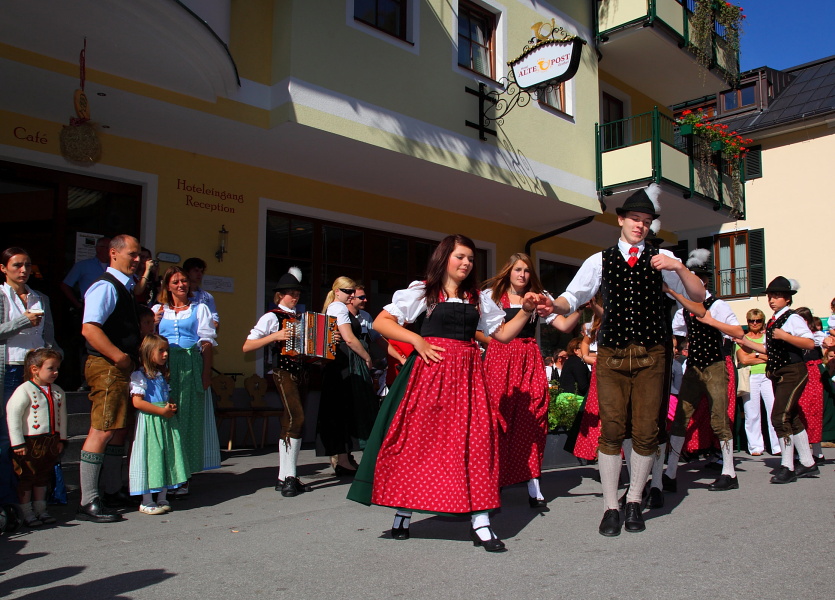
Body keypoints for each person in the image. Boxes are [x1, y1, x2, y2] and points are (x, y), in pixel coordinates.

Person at [348, 234, 547, 553]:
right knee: (420, 442)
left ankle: (480, 522)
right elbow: (383, 323)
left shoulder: (479, 298)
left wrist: (524, 311)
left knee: (477, 442)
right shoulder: (423, 291)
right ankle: (403, 512)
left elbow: (503, 335)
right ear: (445, 258)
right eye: (460, 257)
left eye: (470, 258)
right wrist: (417, 341)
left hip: (468, 377)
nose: (466, 263)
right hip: (431, 375)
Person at [550, 185, 705, 536]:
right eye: (634, 219)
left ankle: (634, 500)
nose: (640, 225)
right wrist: (553, 306)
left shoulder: (661, 259)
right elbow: (574, 295)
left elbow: (698, 296)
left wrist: (678, 266)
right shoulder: (600, 260)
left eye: (646, 221)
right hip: (612, 355)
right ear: (620, 220)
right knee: (612, 429)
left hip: (653, 354)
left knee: (647, 429)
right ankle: (610, 506)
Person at [664, 251, 743, 492]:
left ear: (704, 282)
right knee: (680, 419)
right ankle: (670, 473)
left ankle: (729, 472)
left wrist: (711, 322)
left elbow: (737, 332)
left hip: (715, 365)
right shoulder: (683, 310)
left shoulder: (718, 305)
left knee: (718, 417)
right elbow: (677, 334)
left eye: (695, 278)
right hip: (694, 367)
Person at [77, 234, 142, 523]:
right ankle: (89, 499)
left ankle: (113, 489)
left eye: (139, 254)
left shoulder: (125, 288)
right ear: (114, 254)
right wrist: (119, 356)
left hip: (119, 368)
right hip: (106, 366)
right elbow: (90, 329)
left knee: (117, 429)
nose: (138, 259)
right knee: (102, 429)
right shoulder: (105, 286)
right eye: (133, 254)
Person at [481, 252, 550, 508]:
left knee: (533, 415)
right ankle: (494, 479)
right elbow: (478, 328)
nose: (523, 275)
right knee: (499, 416)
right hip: (500, 358)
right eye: (518, 269)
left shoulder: (539, 297)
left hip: (529, 358)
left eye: (527, 270)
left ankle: (533, 481)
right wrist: (497, 344)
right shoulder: (491, 297)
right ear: (508, 271)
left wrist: (585, 306)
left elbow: (563, 324)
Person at [735, 276, 819, 483]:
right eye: (770, 296)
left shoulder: (792, 318)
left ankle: (787, 466)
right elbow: (767, 349)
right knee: (791, 417)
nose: (772, 299)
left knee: (779, 417)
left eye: (777, 296)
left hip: (793, 371)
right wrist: (743, 340)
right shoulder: (775, 320)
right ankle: (808, 463)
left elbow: (810, 343)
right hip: (780, 372)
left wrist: (786, 336)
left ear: (788, 299)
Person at [242, 267, 311, 497]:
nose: (296, 297)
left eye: (298, 294)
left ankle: (284, 477)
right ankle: (290, 476)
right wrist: (275, 336)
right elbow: (248, 346)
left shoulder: (300, 318)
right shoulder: (272, 316)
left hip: (301, 372)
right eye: (292, 293)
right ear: (280, 295)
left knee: (290, 421)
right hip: (283, 371)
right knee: (296, 418)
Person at [1, 247, 62, 507]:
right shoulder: (1, 295)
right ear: (3, 268)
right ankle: (7, 499)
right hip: (10, 368)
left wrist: (56, 357)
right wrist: (22, 322)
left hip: (36, 372)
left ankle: (33, 500)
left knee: (38, 434)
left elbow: (49, 335)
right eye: (16, 265)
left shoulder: (40, 298)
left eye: (27, 265)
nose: (23, 270)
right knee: (9, 434)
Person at [153, 266, 219, 495]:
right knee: (166, 418)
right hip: (165, 367)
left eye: (183, 281)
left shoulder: (199, 309)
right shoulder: (158, 310)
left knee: (188, 420)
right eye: (175, 282)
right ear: (167, 286)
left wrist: (206, 375)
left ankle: (183, 476)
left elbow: (207, 343)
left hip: (191, 366)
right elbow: (149, 341)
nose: (181, 285)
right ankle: (164, 472)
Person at [318, 277, 374, 476]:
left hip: (342, 365)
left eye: (352, 291)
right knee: (347, 411)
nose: (351, 295)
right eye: (347, 291)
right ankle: (343, 459)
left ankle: (343, 459)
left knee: (344, 412)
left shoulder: (336, 308)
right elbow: (349, 339)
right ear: (337, 291)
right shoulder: (338, 308)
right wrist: (367, 357)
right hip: (344, 365)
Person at [6, 348, 66, 527]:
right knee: (27, 477)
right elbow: (13, 414)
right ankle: (26, 512)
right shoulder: (24, 390)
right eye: (51, 368)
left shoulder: (57, 391)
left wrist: (61, 439)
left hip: (50, 440)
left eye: (57, 368)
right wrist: (18, 443)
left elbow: (62, 416)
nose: (55, 372)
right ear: (34, 369)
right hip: (30, 441)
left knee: (42, 475)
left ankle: (41, 510)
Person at [128, 334, 187, 515]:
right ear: (148, 352)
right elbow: (137, 402)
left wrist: (170, 405)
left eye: (166, 351)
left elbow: (165, 396)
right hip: (150, 422)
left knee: (165, 456)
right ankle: (146, 500)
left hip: (164, 422)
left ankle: (162, 495)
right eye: (160, 350)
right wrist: (161, 410)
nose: (165, 354)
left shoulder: (161, 375)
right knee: (149, 457)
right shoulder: (140, 376)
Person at [736, 309, 779, 456]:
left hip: (768, 376)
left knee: (773, 410)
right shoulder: (742, 338)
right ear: (747, 322)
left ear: (762, 322)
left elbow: (773, 357)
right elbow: (744, 359)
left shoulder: (768, 338)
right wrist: (761, 355)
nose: (754, 323)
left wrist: (753, 355)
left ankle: (777, 446)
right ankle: (755, 447)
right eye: (751, 321)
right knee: (751, 413)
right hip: (750, 377)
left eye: (758, 321)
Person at [794, 307, 826, 464]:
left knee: (813, 411)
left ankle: (817, 452)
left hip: (812, 373)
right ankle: (803, 451)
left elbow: (826, 342)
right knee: (800, 411)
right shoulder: (795, 337)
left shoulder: (816, 336)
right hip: (799, 372)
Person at [60, 236, 111, 312]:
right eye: (107, 248)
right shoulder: (83, 265)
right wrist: (77, 304)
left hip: (111, 307)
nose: (110, 251)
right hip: (90, 307)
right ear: (98, 249)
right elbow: (65, 285)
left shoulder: (114, 267)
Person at [183, 257, 219, 328]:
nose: (199, 274)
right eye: (196, 271)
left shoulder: (207, 297)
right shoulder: (180, 295)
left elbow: (215, 321)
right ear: (187, 272)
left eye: (201, 271)